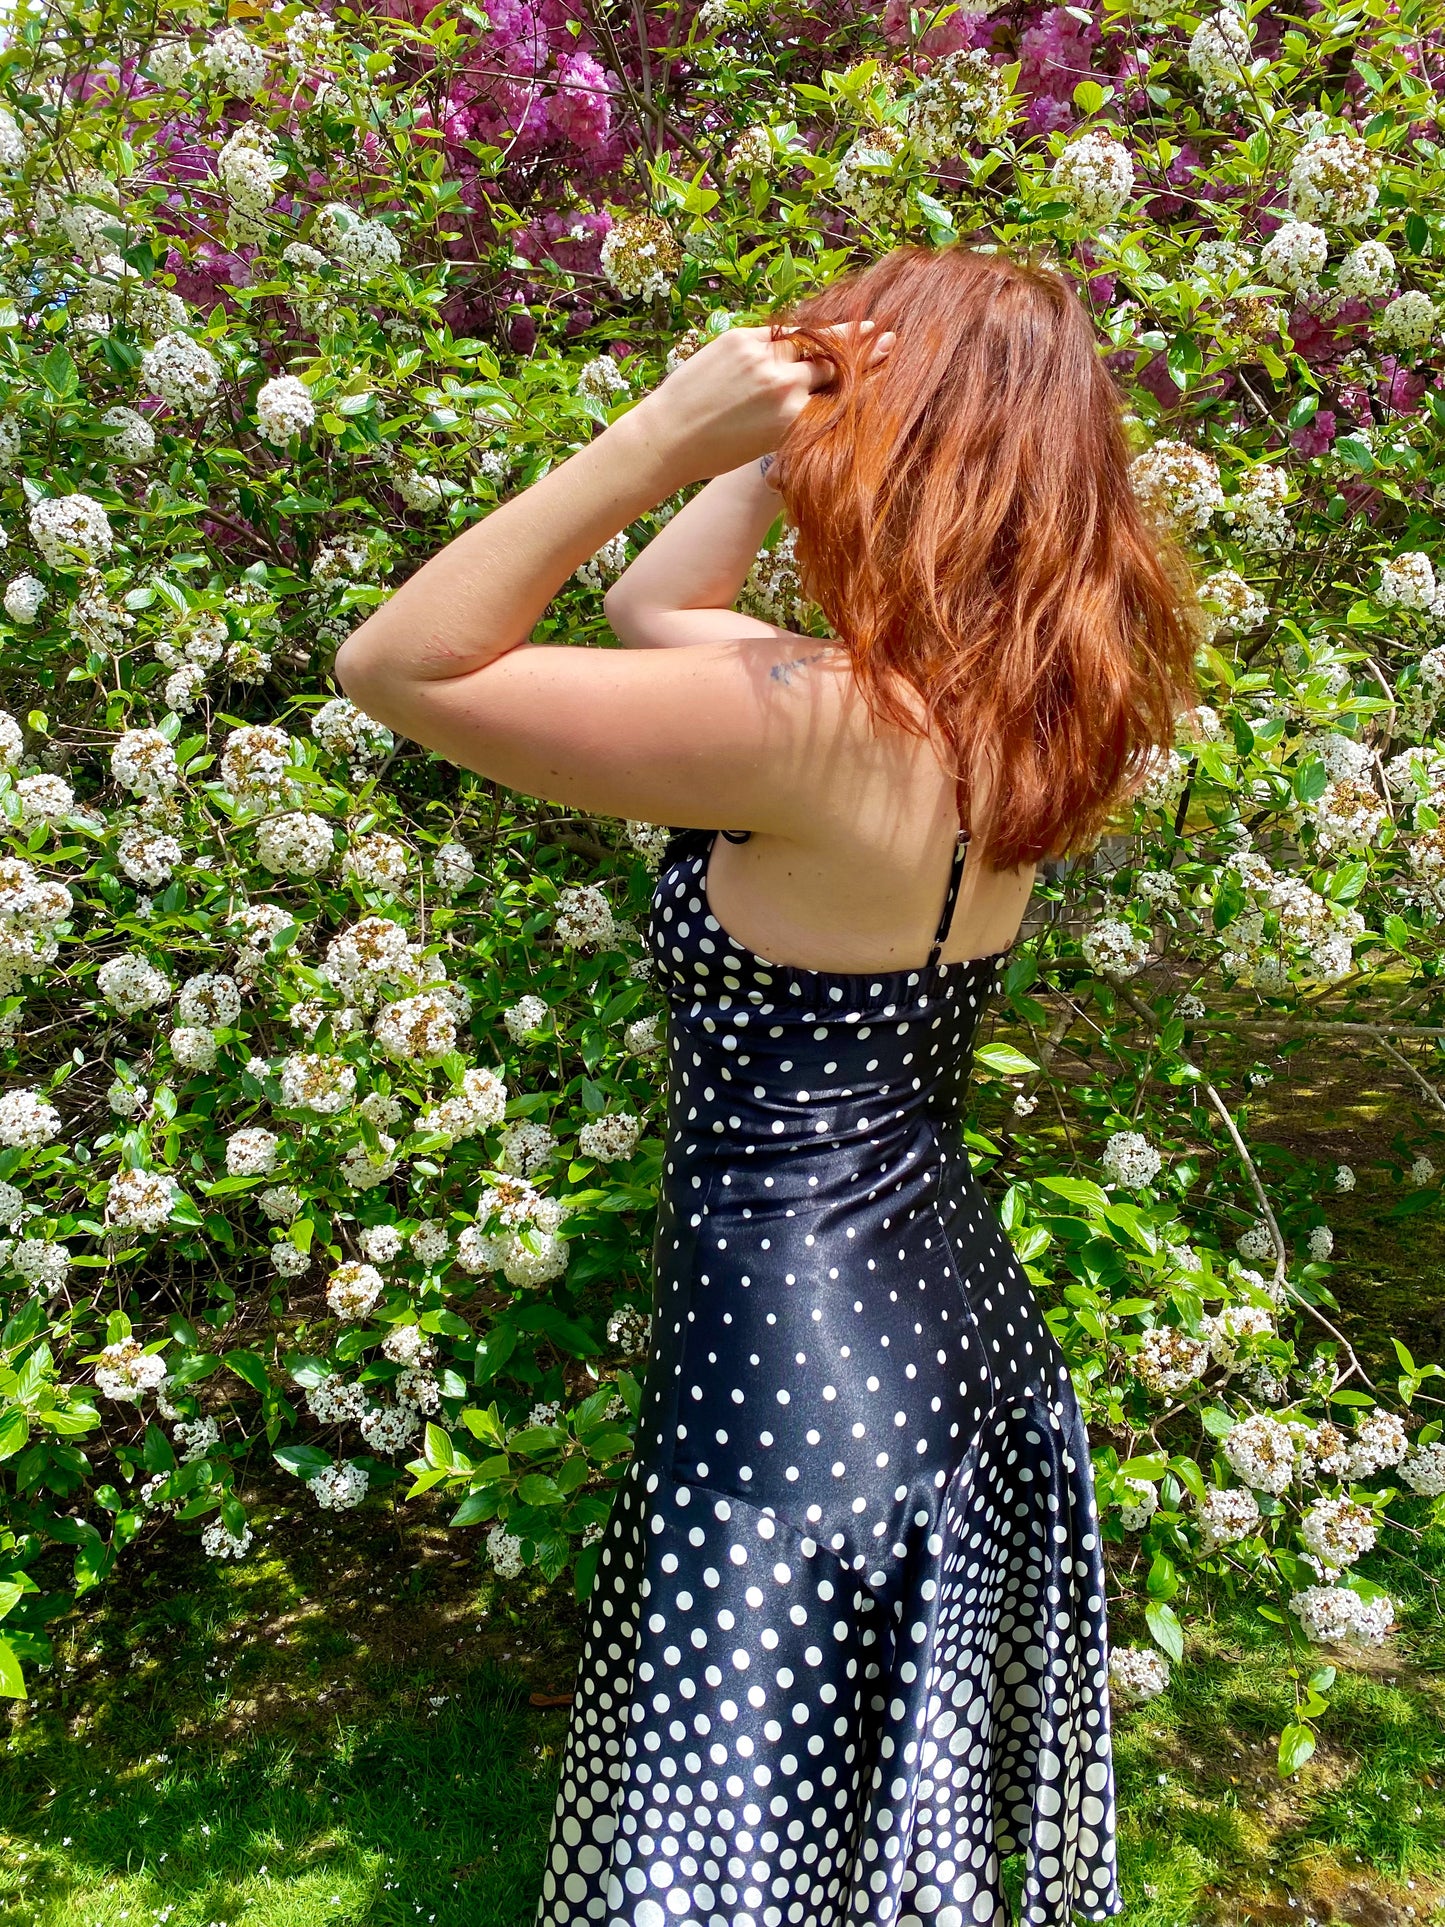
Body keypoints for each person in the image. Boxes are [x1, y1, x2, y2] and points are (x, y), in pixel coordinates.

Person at [335, 241, 1200, 1927]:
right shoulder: (1023, 714)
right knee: (876, 1820)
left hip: (791, 1356)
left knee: (727, 1834)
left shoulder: (805, 728)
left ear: (903, 450)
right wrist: (748, 455)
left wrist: (657, 436)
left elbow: (399, 667)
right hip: (954, 1327)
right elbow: (658, 621)